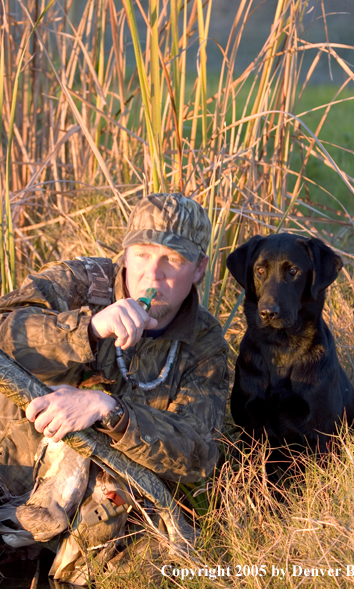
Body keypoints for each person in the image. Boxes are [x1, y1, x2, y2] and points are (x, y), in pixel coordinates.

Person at [0, 193, 228, 546]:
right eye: (142, 254)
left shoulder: (204, 342)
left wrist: (109, 410)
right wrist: (86, 330)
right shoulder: (80, 282)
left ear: (199, 268)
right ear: (125, 255)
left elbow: (197, 454)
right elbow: (5, 334)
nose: (153, 273)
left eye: (173, 258)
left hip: (95, 514)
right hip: (8, 470)